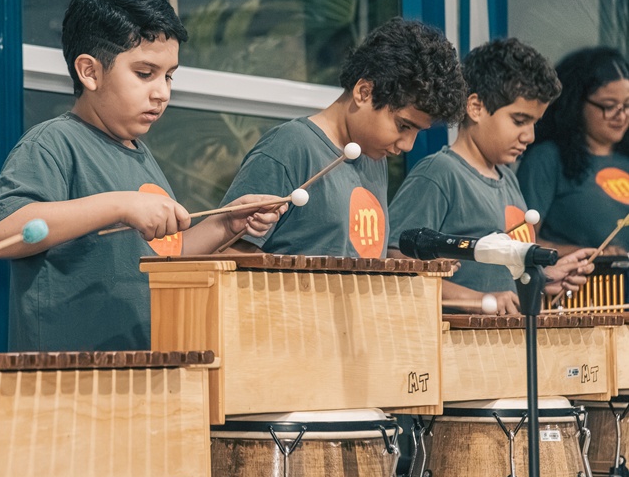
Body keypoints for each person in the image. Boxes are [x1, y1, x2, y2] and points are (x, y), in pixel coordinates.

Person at [0, 0, 284, 352]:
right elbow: (0, 236)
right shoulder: (53, 142)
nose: (162, 92)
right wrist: (120, 205)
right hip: (72, 383)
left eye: (169, 76)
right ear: (90, 72)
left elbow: (169, 253)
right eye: (144, 74)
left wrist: (225, 224)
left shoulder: (140, 156)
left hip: (143, 371)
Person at [219, 17, 467, 258]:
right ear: (364, 92)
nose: (407, 145)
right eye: (403, 125)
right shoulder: (289, 147)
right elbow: (227, 255)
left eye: (417, 132)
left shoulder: (373, 158)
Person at [388, 38, 592, 315]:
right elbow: (397, 266)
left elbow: (502, 276)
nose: (529, 136)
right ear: (476, 108)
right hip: (459, 349)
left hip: (504, 348)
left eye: (535, 124)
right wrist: (478, 299)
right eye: (519, 121)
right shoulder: (439, 174)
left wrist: (546, 277)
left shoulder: (508, 180)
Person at [518, 47, 629, 256]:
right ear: (576, 103)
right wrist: (589, 254)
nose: (621, 116)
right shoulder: (548, 159)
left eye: (627, 105)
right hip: (578, 286)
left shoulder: (624, 158)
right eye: (609, 106)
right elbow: (521, 244)